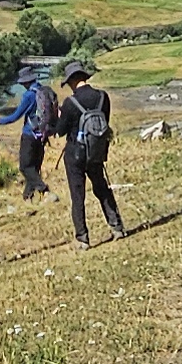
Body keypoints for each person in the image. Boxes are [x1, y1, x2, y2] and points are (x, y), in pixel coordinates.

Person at [58, 60, 127, 245]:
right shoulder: (103, 97)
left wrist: (60, 116)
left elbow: (61, 130)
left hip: (75, 153)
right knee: (102, 188)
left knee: (78, 195)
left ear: (72, 81)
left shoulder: (70, 103)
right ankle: (117, 227)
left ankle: (83, 238)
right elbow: (104, 124)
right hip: (96, 151)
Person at [7, 67, 57, 203]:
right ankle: (27, 197)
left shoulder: (29, 95)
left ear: (25, 82)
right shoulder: (43, 90)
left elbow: (15, 116)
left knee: (24, 167)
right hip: (43, 134)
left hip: (29, 135)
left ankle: (44, 190)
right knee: (34, 167)